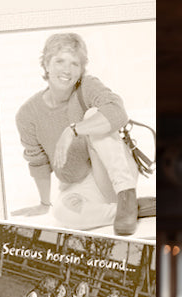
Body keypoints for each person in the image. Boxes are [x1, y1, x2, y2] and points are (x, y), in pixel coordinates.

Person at [10, 33, 141, 236]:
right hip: (81, 185)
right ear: (46, 65)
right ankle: (131, 210)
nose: (67, 70)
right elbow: (38, 162)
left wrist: (73, 130)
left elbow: (117, 112)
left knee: (95, 114)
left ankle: (127, 196)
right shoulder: (28, 114)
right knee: (63, 213)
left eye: (74, 63)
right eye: (59, 61)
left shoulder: (87, 86)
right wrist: (45, 203)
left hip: (115, 173)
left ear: (81, 70)